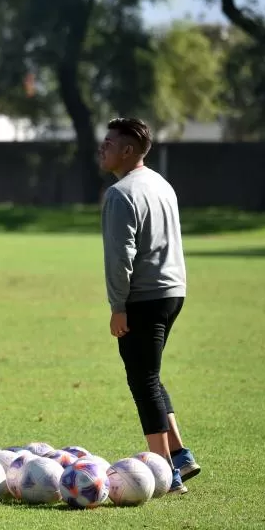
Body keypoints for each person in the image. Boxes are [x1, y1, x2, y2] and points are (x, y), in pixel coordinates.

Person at [99, 117, 202, 495]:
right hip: (174, 291)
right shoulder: (161, 183)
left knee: (142, 380)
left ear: (128, 151)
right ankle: (179, 455)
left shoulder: (121, 193)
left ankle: (165, 474)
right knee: (150, 374)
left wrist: (117, 306)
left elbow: (119, 258)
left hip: (143, 296)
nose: (102, 148)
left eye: (108, 143)